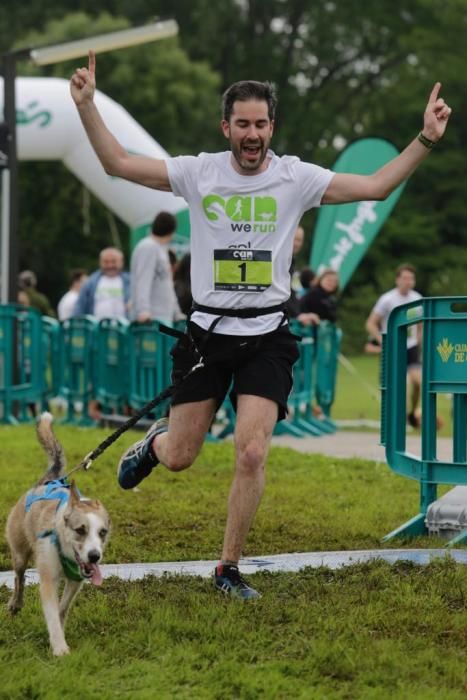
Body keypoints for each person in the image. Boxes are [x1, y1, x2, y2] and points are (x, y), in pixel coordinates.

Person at [71, 50, 451, 599]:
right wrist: (85, 105)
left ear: (273, 126)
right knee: (181, 456)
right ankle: (155, 445)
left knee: (252, 452)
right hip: (206, 337)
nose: (253, 134)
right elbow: (117, 164)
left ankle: (228, 568)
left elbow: (375, 186)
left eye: (261, 124)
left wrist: (426, 138)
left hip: (267, 337)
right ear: (227, 126)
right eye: (243, 124)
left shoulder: (296, 177)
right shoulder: (199, 171)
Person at [365, 263, 422, 427]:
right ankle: (398, 418)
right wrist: (383, 341)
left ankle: (412, 412)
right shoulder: (387, 299)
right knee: (400, 385)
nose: (408, 281)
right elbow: (370, 323)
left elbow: (420, 324)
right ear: (397, 280)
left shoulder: (417, 298)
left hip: (411, 347)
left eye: (411, 278)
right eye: (404, 278)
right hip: (393, 347)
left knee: (419, 383)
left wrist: (419, 339)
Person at [129, 211, 183, 324]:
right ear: (171, 231)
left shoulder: (161, 249)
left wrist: (176, 312)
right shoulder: (148, 247)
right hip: (150, 319)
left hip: (163, 317)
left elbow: (167, 283)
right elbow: (143, 279)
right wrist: (143, 311)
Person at [72, 247, 130, 319]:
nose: (110, 265)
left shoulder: (131, 282)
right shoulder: (90, 283)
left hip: (123, 327)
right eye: (106, 262)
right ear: (100, 262)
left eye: (113, 261)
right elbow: (79, 307)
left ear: (121, 262)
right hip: (96, 328)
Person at [286, 226, 320, 327]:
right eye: (294, 239)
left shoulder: (293, 264)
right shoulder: (279, 263)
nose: (296, 244)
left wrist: (303, 314)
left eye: (299, 240)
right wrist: (297, 315)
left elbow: (295, 294)